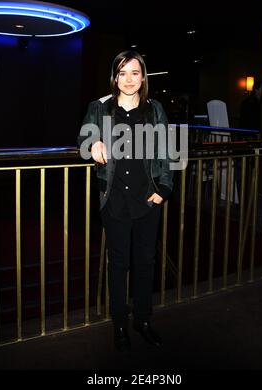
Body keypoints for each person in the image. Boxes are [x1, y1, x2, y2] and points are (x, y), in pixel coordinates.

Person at [78, 50, 173, 352]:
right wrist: (92, 144)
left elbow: (169, 149)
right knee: (117, 265)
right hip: (114, 200)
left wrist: (165, 188)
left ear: (143, 77)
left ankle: (143, 320)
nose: (129, 79)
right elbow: (82, 141)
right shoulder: (100, 108)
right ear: (114, 77)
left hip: (148, 199)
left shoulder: (155, 109)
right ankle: (119, 323)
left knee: (146, 263)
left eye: (135, 72)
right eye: (122, 73)